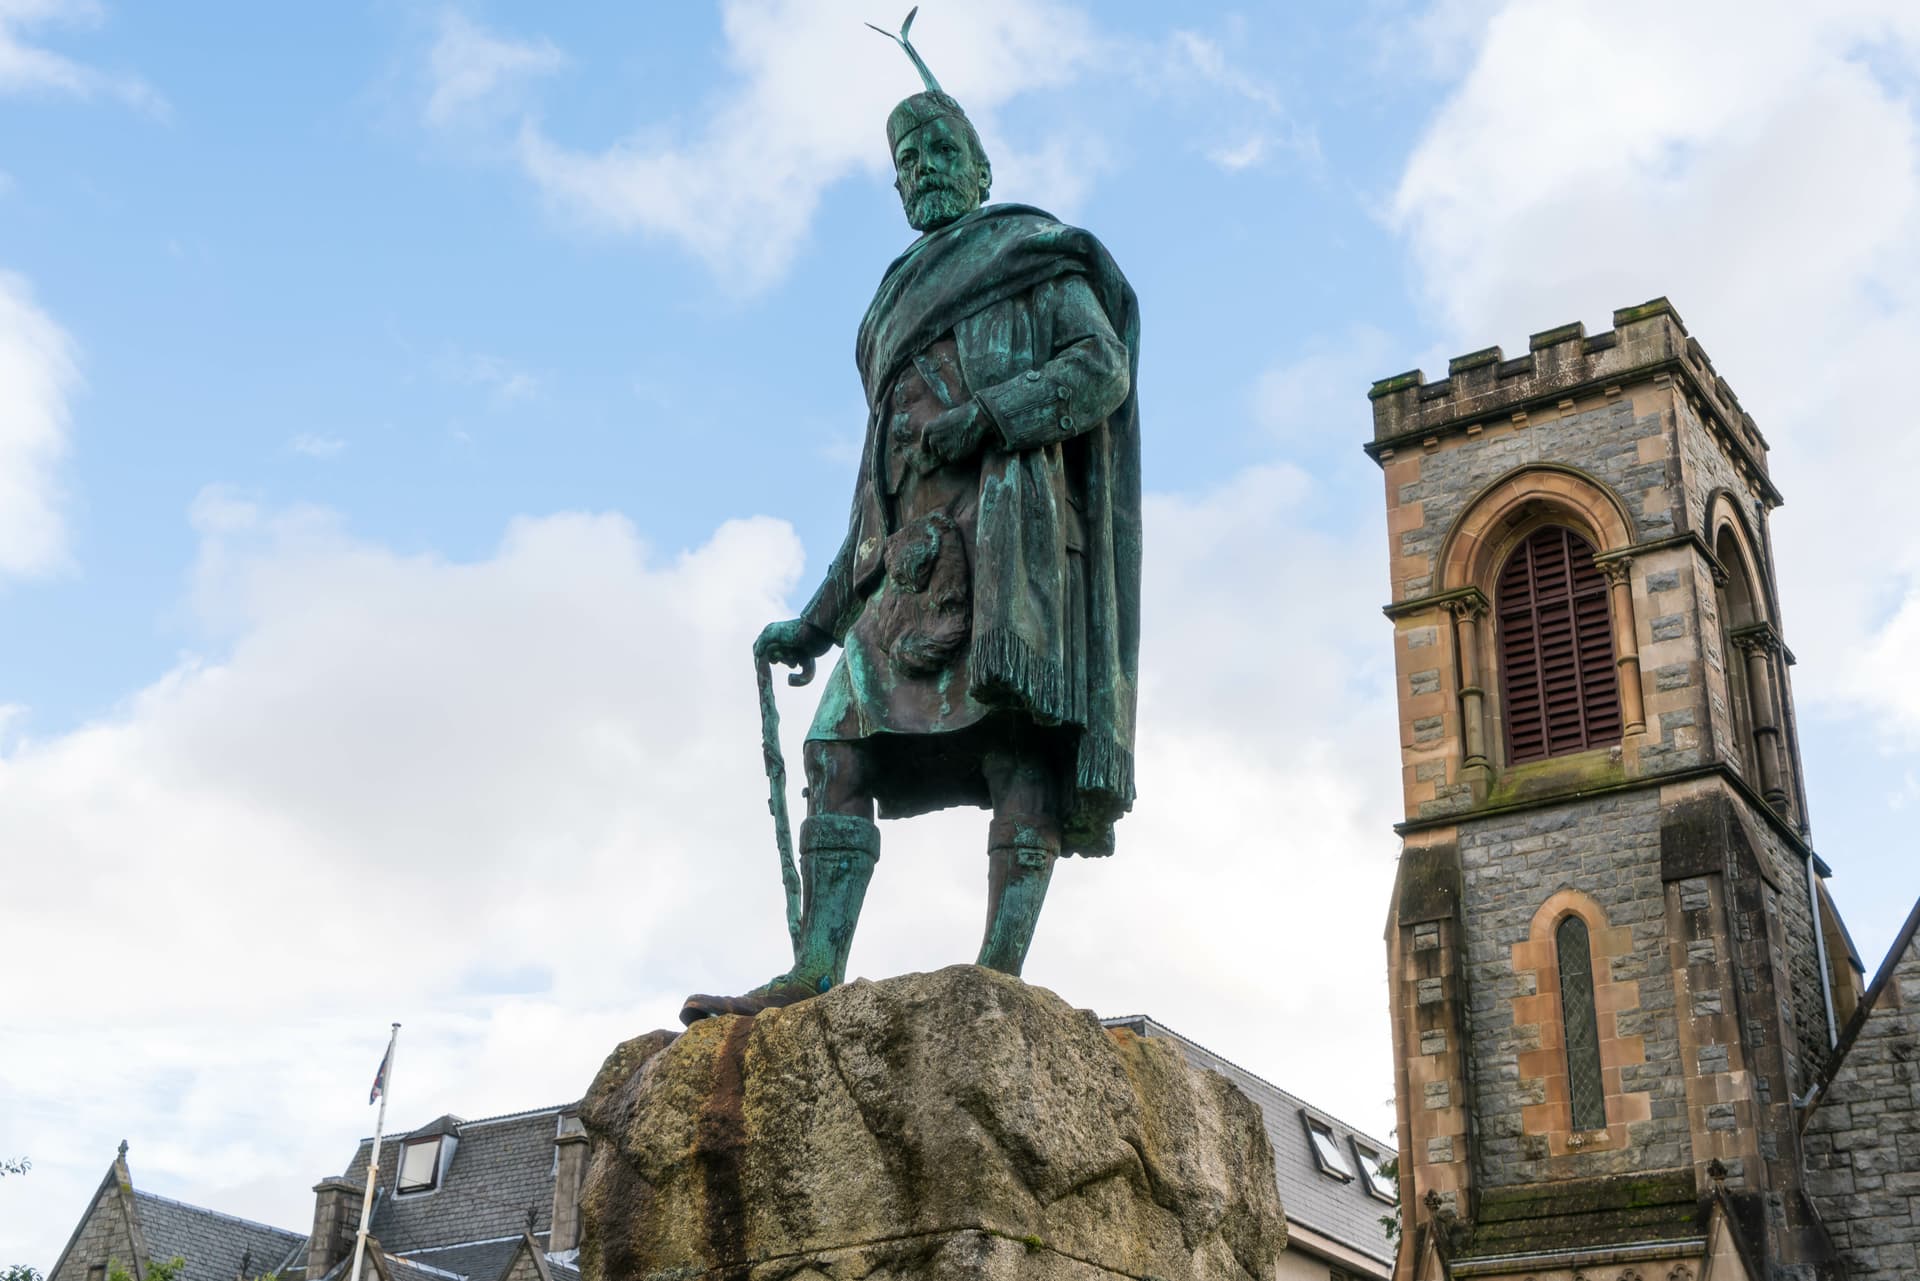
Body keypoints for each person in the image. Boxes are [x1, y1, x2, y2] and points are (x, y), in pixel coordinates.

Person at [680, 35, 1140, 1025]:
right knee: (836, 748)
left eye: (939, 154)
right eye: (905, 164)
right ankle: (812, 969)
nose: (920, 173)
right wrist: (813, 623)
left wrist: (992, 414)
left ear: (980, 172)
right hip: (908, 565)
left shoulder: (1031, 260)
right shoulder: (889, 311)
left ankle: (999, 975)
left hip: (1012, 549)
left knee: (1016, 748)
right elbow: (872, 491)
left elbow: (1101, 368)